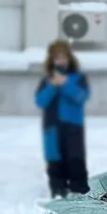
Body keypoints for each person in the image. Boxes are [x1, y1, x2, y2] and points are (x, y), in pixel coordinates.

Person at [35, 40, 90, 198]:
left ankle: (80, 194)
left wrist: (65, 84)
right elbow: (40, 101)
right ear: (51, 60)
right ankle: (58, 193)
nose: (61, 61)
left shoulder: (78, 78)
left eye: (64, 57)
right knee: (55, 163)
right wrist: (53, 85)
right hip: (52, 127)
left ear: (69, 59)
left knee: (75, 161)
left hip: (73, 127)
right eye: (57, 58)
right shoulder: (47, 80)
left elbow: (81, 96)